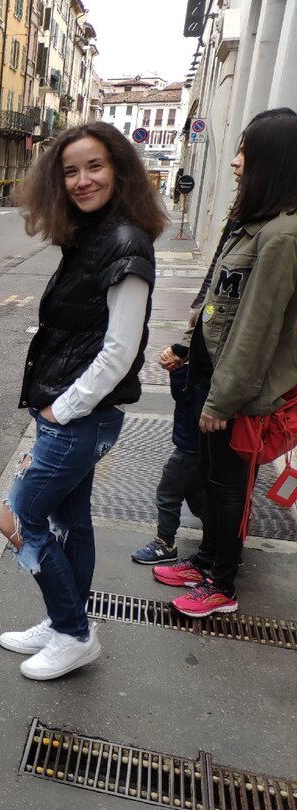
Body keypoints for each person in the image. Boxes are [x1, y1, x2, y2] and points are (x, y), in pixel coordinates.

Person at [0, 121, 168, 680]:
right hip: (70, 414)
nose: (81, 180)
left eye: (94, 166)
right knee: (72, 523)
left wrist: (59, 411)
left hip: (77, 416)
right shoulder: (93, 236)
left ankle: (73, 633)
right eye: (70, 171)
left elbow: (120, 351)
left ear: (119, 169)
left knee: (19, 517)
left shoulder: (124, 242)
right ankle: (63, 620)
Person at [152, 107, 297, 617]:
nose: (235, 163)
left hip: (241, 393)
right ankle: (206, 559)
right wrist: (192, 355)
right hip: (215, 378)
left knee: (229, 489)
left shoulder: (281, 237)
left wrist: (223, 399)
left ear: (274, 164)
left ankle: (221, 587)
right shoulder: (254, 226)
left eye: (246, 154)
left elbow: (256, 331)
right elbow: (219, 308)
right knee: (211, 480)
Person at [129, 321, 207, 565]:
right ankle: (222, 544)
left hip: (190, 445)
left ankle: (165, 543)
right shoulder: (209, 364)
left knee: (168, 493)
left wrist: (178, 370)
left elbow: (186, 399)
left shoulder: (203, 369)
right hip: (196, 443)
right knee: (198, 496)